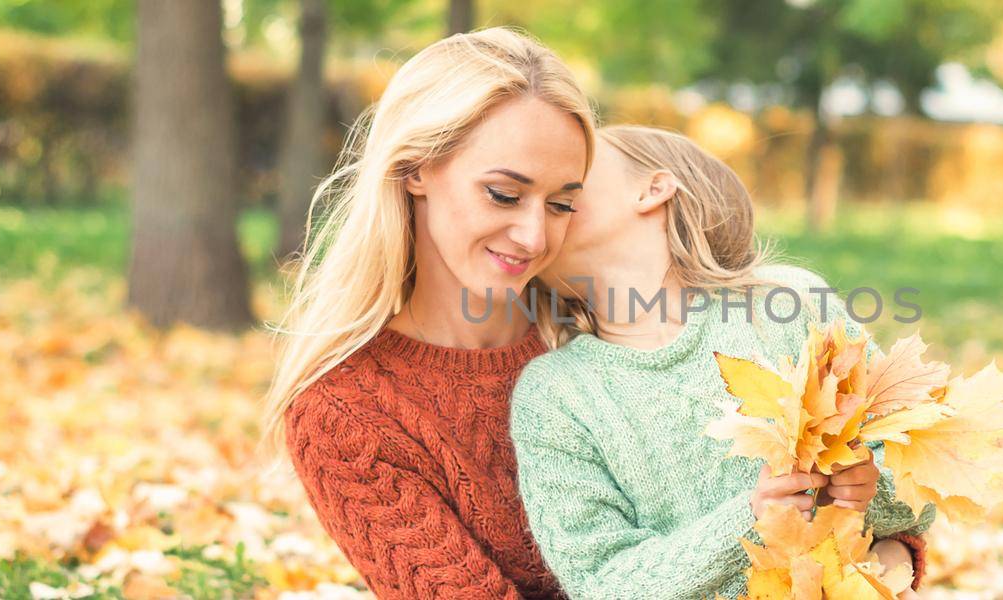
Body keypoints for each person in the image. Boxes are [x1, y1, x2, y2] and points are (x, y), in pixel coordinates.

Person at [510, 125, 935, 599]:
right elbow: (601, 582)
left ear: (653, 189)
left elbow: (923, 477)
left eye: (576, 172)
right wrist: (751, 518)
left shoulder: (789, 304)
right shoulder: (553, 393)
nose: (550, 190)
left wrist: (868, 492)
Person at [263, 27, 594, 599]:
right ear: (416, 169)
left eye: (562, 203)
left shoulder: (601, 340)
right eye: (504, 194)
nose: (535, 234)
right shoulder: (346, 414)